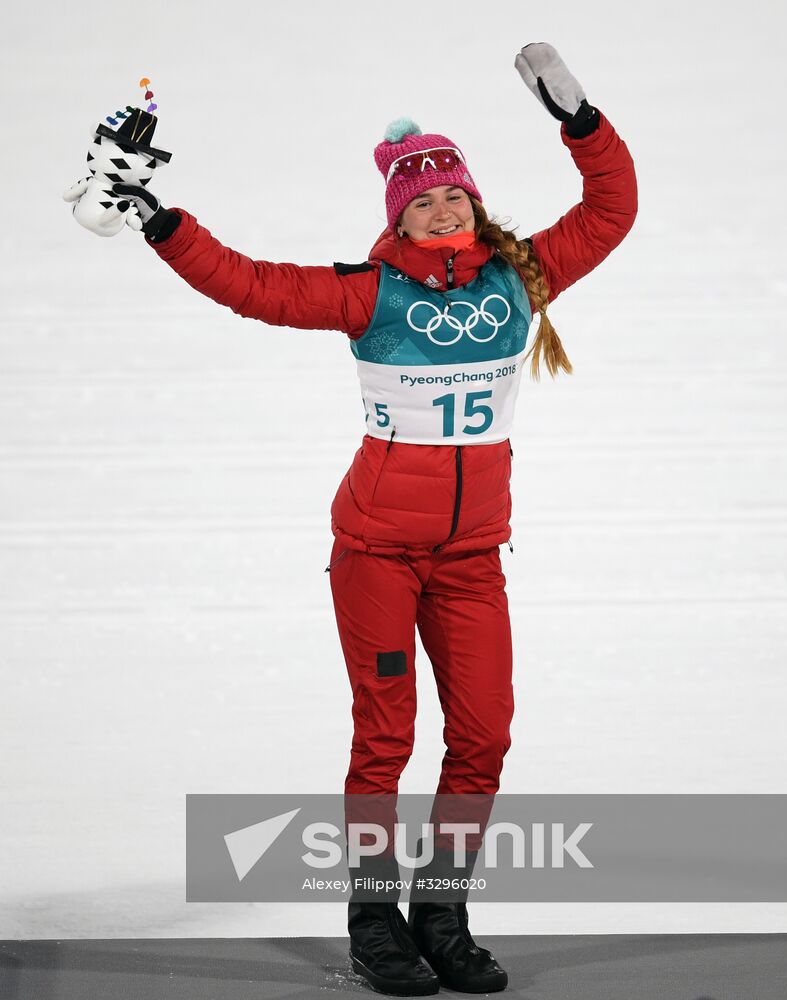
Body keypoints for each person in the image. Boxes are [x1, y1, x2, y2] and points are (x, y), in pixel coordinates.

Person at [103, 41, 637, 998]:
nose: (444, 209)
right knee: (385, 740)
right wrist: (163, 222)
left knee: (484, 736)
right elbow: (253, 285)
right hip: (377, 556)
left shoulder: (520, 280)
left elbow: (612, 210)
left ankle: (442, 914)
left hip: (472, 559)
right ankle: (373, 922)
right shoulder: (370, 293)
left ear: (475, 204)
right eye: (424, 201)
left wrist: (583, 123)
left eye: (456, 195)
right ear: (399, 216)